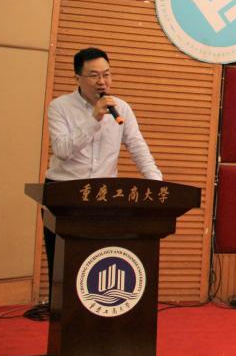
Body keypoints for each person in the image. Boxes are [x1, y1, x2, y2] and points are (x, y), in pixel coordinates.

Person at [42, 47, 162, 300]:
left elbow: (138, 147)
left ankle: (98, 310)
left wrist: (157, 183)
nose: (102, 81)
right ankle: (62, 313)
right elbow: (62, 150)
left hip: (102, 196)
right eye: (94, 75)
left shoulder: (122, 109)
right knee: (64, 266)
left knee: (98, 261)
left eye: (106, 74)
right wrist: (94, 118)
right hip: (64, 193)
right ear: (77, 78)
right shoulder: (60, 107)